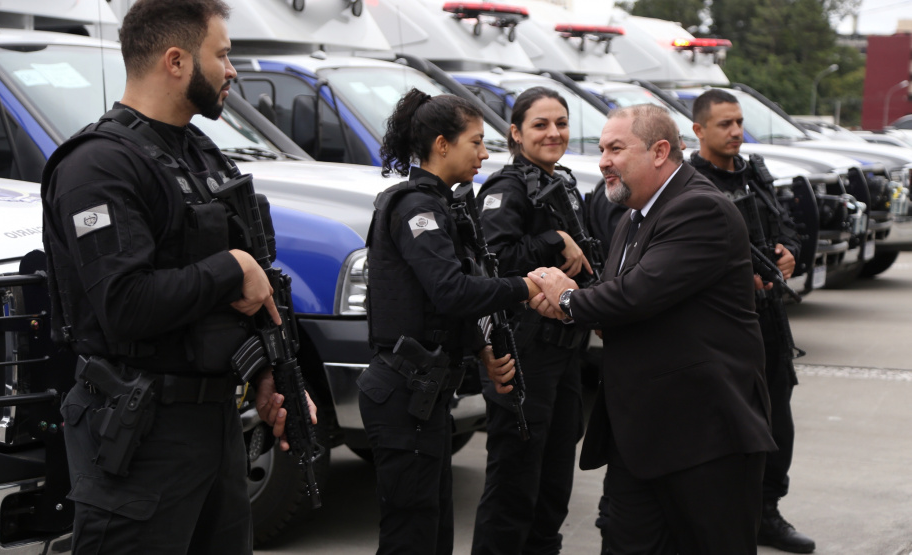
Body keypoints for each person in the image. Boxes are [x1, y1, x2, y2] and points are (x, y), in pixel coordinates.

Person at [41, 1, 306, 552]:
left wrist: (267, 372)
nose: (232, 70)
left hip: (214, 431)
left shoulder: (200, 155)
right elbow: (125, 304)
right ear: (177, 60)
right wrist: (232, 268)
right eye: (223, 55)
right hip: (140, 441)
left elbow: (235, 295)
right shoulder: (97, 167)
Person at [518, 104, 777, 555]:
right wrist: (570, 302)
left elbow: (636, 295)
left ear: (660, 151)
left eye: (616, 148)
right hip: (640, 440)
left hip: (703, 440)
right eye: (601, 149)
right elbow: (617, 298)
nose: (603, 160)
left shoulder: (699, 208)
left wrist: (566, 298)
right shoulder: (633, 216)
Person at [358, 88, 541, 555]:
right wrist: (528, 285)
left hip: (424, 394)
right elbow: (451, 290)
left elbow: (435, 305)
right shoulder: (417, 207)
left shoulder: (442, 204)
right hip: (403, 395)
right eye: (476, 142)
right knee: (411, 538)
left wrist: (479, 347)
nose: (484, 153)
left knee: (433, 534)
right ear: (442, 144)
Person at [690, 89, 814, 554]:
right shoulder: (689, 183)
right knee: (722, 428)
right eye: (724, 124)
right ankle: (720, 518)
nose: (736, 132)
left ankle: (767, 512)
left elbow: (786, 227)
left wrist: (788, 254)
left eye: (739, 122)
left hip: (770, 322)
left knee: (777, 420)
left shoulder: (754, 173)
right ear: (699, 130)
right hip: (720, 328)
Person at [471, 87, 589, 555]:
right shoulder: (508, 187)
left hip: (564, 354)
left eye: (561, 123)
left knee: (555, 483)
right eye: (540, 125)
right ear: (516, 133)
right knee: (514, 486)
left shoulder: (561, 183)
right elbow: (494, 263)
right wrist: (553, 239)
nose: (554, 133)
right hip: (524, 353)